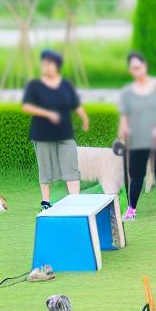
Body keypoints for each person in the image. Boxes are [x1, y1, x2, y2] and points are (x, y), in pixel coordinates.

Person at [22, 49, 89, 211]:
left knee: (71, 164)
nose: (45, 66)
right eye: (43, 63)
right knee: (45, 167)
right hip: (42, 134)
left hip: (65, 133)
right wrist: (48, 113)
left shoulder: (66, 84)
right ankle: (45, 201)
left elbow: (75, 104)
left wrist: (84, 117)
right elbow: (27, 106)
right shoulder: (35, 85)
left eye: (49, 63)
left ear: (57, 65)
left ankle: (75, 201)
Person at [118, 52, 156, 221]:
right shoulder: (127, 93)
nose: (137, 71)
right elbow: (124, 118)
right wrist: (121, 136)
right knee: (137, 174)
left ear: (145, 66)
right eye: (133, 68)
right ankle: (131, 208)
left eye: (139, 67)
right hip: (137, 139)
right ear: (130, 70)